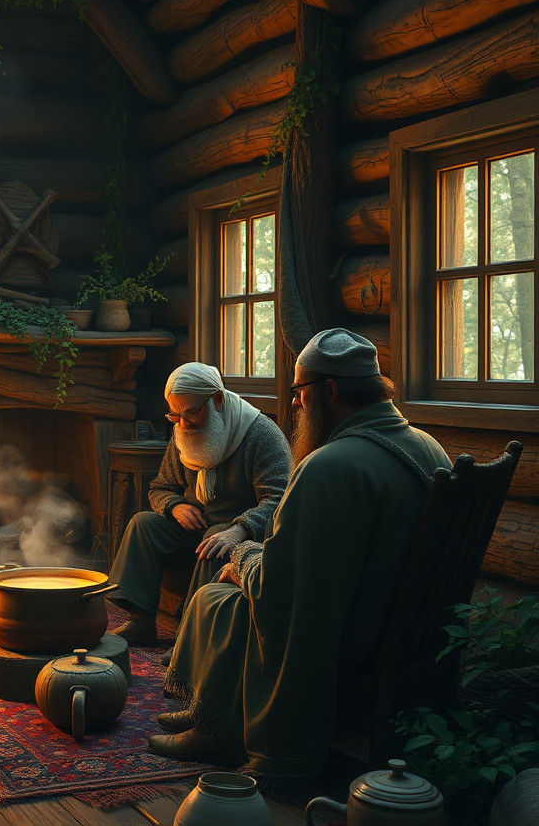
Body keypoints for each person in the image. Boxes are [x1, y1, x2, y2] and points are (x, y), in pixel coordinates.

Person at [148, 329, 452, 781]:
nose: (293, 404)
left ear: (328, 392)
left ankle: (217, 730)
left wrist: (245, 558)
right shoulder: (427, 446)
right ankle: (207, 716)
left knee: (221, 599)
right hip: (404, 621)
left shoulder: (330, 466)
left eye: (298, 392)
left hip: (352, 629)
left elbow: (283, 585)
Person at [107, 362, 291, 646]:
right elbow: (160, 488)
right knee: (143, 524)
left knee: (213, 540)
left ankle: (189, 641)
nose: (182, 424)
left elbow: (279, 500)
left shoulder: (261, 435)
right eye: (175, 415)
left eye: (190, 413)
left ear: (217, 399)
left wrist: (238, 529)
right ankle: (140, 621)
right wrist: (174, 506)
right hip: (194, 530)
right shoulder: (183, 431)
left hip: (242, 537)